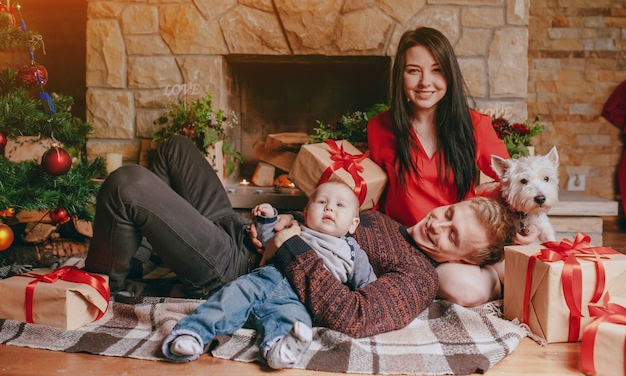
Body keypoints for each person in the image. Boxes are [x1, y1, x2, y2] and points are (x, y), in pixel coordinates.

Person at [84, 135, 511, 339]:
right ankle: (137, 254)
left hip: (239, 271)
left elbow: (354, 316)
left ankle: (107, 285)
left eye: (452, 235)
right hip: (243, 233)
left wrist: (285, 245)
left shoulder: (417, 277)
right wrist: (274, 223)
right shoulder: (392, 221)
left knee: (127, 183)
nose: (438, 223)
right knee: (174, 148)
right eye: (449, 213)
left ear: (465, 260)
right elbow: (323, 222)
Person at [367, 26, 529, 307]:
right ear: (400, 77)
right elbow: (373, 193)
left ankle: (489, 269)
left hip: (460, 241)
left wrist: (527, 224)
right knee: (464, 288)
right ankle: (490, 276)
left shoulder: (475, 125)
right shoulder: (381, 127)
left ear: (450, 75)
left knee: (525, 264)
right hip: (412, 243)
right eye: (413, 71)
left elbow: (514, 180)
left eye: (437, 70)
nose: (425, 82)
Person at [161, 182, 377, 368]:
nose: (329, 207)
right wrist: (268, 219)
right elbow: (266, 243)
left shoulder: (352, 252)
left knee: (296, 322)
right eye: (321, 202)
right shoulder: (297, 229)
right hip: (262, 279)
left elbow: (369, 288)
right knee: (229, 298)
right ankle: (193, 334)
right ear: (306, 211)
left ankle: (279, 349)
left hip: (300, 298)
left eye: (340, 205)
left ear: (353, 224)